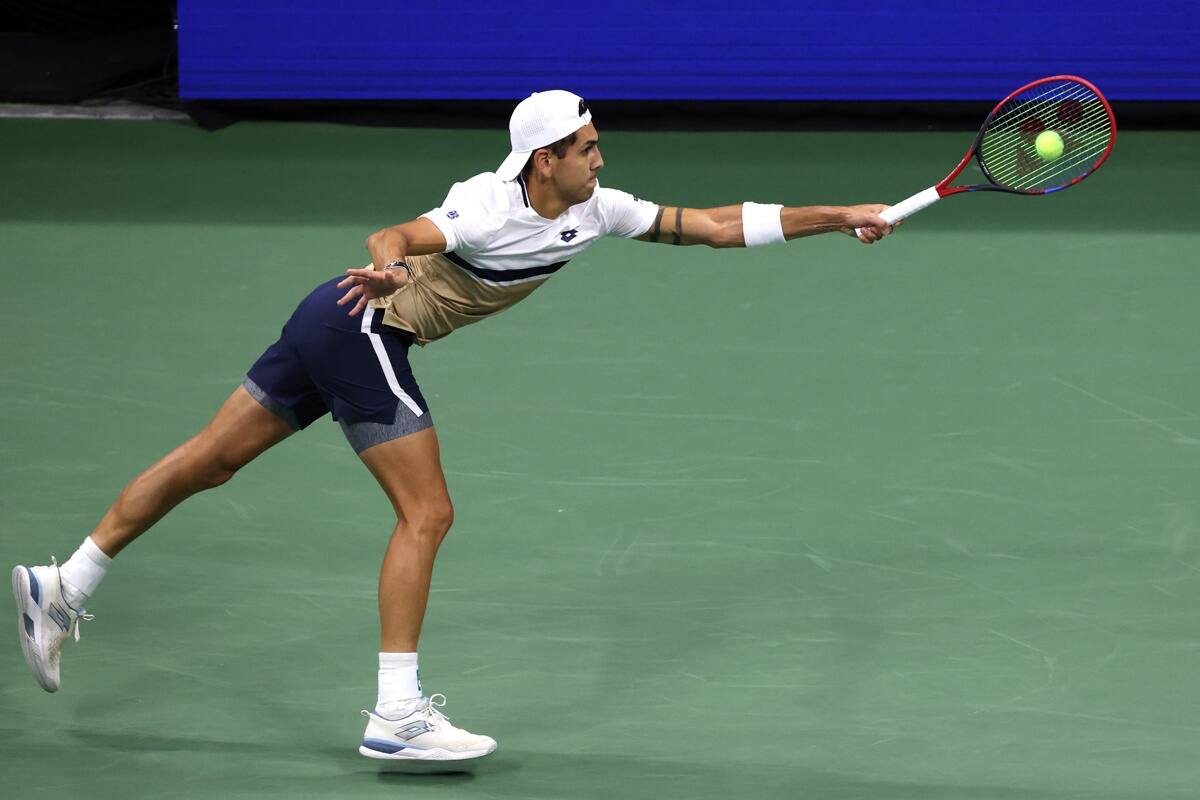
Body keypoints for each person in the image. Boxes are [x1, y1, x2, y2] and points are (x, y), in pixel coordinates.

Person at [11, 90, 895, 764]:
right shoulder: (486, 204)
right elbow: (395, 231)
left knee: (210, 463)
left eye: (597, 145)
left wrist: (839, 214)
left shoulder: (599, 207)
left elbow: (711, 226)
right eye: (587, 148)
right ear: (545, 158)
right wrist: (392, 270)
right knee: (427, 514)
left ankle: (65, 583)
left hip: (329, 323)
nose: (601, 157)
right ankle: (397, 716)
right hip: (364, 321)